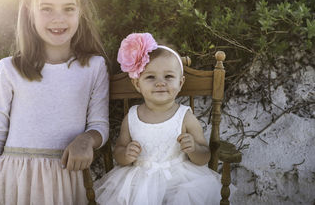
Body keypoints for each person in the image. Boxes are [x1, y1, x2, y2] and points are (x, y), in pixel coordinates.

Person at [0, 0, 109, 205]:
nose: (58, 19)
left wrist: (86, 140)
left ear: (80, 11)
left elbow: (99, 124)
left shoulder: (94, 67)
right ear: (30, 12)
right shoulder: (9, 68)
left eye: (68, 8)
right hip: (15, 181)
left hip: (67, 180)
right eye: (46, 9)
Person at [94, 33, 222, 205]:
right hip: (140, 181)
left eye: (168, 76)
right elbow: (119, 152)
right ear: (137, 84)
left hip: (180, 181)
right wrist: (126, 154)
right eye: (150, 77)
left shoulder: (185, 116)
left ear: (181, 82)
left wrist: (193, 149)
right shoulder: (132, 117)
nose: (160, 83)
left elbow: (205, 156)